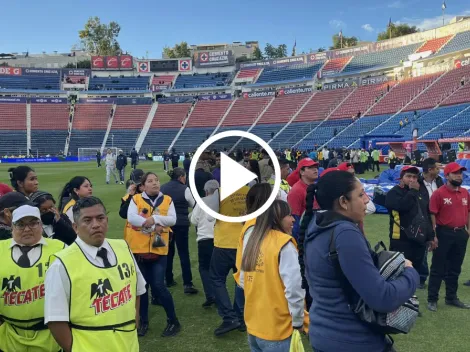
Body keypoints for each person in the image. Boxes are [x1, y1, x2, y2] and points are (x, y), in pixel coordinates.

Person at [299, 171, 419, 352]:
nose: (366, 200)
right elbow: (382, 298)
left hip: (323, 335)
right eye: (361, 194)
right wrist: (410, 274)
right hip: (352, 339)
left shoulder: (316, 224)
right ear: (343, 202)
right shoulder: (345, 234)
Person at [45, 197, 146, 352]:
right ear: (75, 227)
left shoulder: (123, 247)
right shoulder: (61, 264)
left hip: (129, 344)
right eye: (87, 220)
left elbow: (137, 291)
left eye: (100, 218)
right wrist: (74, 348)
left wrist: (134, 324)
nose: (96, 225)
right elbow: (55, 320)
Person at [239, 200, 305, 351]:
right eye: (288, 215)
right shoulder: (284, 245)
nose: (293, 219)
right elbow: (295, 288)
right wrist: (298, 320)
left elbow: (243, 281)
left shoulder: (252, 240)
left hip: (254, 326)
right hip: (277, 329)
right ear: (276, 218)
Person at [0, 205, 65, 352]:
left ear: (41, 225)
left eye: (33, 223)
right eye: (21, 224)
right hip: (8, 337)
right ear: (12, 227)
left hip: (51, 336)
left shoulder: (60, 249)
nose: (27, 229)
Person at [126, 172, 181, 337]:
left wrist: (154, 218)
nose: (155, 183)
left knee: (158, 285)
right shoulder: (136, 199)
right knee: (142, 289)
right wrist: (151, 225)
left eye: (156, 180)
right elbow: (131, 218)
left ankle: (173, 321)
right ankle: (143, 322)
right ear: (143, 186)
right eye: (150, 181)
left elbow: (172, 220)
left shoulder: (167, 199)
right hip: (139, 250)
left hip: (159, 250)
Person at [427, 162, 470, 312]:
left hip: (461, 234)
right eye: (455, 173)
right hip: (444, 233)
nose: (459, 176)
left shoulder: (465, 192)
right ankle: (432, 298)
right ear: (447, 176)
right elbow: (433, 214)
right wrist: (434, 235)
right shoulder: (439, 193)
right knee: (438, 267)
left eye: (461, 173)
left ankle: (451, 297)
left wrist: (468, 230)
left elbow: (468, 211)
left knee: (455, 268)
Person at [210, 184, 249, 336]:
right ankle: (240, 317)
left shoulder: (219, 192)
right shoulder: (249, 191)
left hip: (224, 242)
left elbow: (209, 215)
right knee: (241, 281)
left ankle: (229, 317)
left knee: (216, 279)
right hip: (243, 241)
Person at [385, 166, 433, 272]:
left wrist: (430, 237)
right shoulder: (394, 193)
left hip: (419, 239)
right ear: (401, 178)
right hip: (401, 240)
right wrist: (412, 192)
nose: (412, 179)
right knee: (399, 272)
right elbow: (402, 207)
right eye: (408, 176)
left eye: (414, 177)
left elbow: (425, 215)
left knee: (414, 272)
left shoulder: (419, 193)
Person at [161, 168, 197, 294]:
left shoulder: (163, 188)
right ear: (181, 177)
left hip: (167, 224)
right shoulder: (185, 189)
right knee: (183, 254)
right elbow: (194, 204)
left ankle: (168, 279)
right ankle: (187, 284)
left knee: (168, 252)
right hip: (181, 224)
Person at [190, 180, 219, 307]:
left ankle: (210, 295)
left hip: (205, 239)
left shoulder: (202, 202)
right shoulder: (222, 202)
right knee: (218, 270)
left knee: (204, 268)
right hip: (219, 239)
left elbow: (194, 220)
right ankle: (219, 295)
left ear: (206, 191)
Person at [417, 158, 444, 289]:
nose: (439, 170)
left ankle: (440, 273)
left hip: (440, 219)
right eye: (437, 168)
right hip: (423, 219)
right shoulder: (417, 182)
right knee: (423, 249)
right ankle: (422, 278)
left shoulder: (439, 181)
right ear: (430, 169)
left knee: (441, 248)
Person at [287, 158, 319, 242]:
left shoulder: (316, 186)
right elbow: (294, 221)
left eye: (316, 167)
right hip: (305, 237)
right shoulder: (296, 191)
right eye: (310, 167)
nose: (315, 169)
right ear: (302, 172)